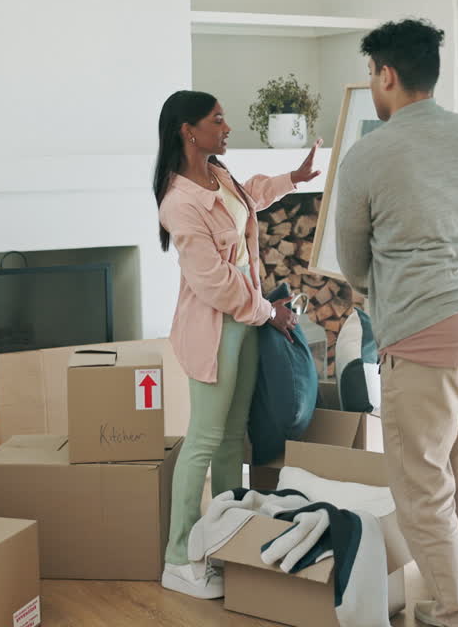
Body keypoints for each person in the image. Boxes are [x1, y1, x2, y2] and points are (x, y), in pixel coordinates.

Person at [334, 19, 458, 627]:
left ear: (386, 75)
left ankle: (456, 615)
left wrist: (376, 291)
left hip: (424, 338)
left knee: (422, 488)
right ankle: (457, 602)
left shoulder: (369, 153)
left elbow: (352, 259)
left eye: (371, 75)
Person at [153, 90, 321, 599]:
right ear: (188, 130)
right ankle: (179, 556)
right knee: (204, 439)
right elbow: (213, 282)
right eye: (217, 121)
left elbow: (247, 197)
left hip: (246, 319)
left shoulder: (216, 173)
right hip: (218, 327)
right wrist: (269, 312)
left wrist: (293, 179)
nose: (226, 128)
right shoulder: (178, 201)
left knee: (231, 440)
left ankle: (222, 542)